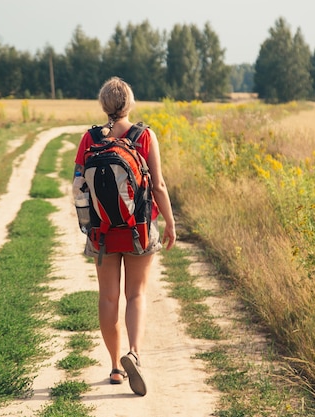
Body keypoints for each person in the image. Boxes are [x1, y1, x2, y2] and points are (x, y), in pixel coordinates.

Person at [73, 76, 176, 396]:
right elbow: (157, 186)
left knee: (108, 297)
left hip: (102, 231)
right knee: (136, 295)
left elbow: (78, 187)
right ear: (129, 104)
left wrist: (89, 228)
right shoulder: (145, 136)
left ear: (103, 106)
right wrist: (170, 223)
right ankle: (134, 352)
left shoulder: (89, 138)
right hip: (140, 229)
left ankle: (116, 367)